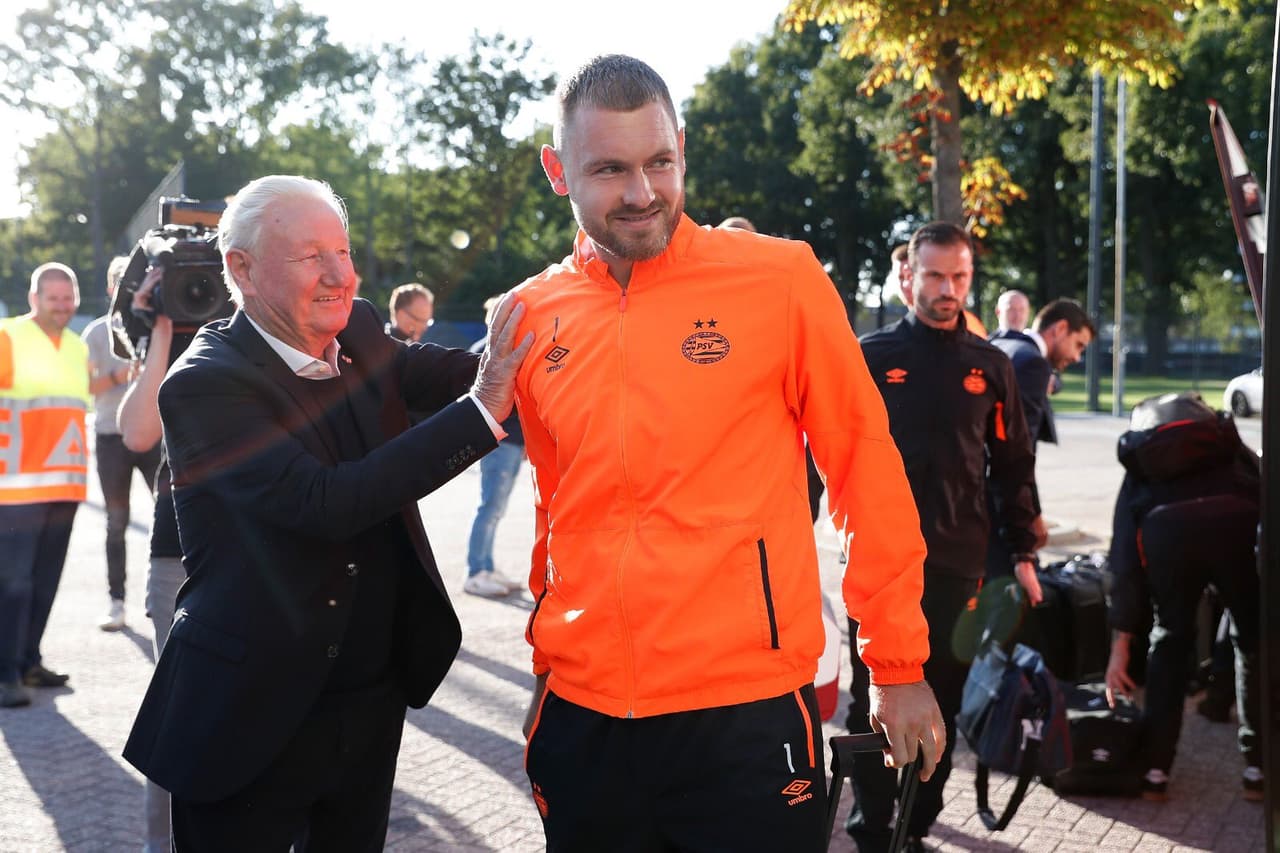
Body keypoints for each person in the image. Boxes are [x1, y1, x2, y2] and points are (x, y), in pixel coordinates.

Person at [512, 55, 943, 852]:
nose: (642, 192)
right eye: (609, 169)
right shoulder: (530, 314)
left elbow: (863, 464)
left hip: (743, 716)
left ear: (682, 148)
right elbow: (554, 496)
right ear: (557, 171)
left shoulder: (780, 280)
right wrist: (547, 656)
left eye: (660, 162)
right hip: (583, 714)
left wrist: (897, 661)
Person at [123, 174, 532, 850]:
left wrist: (552, 326)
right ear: (242, 270)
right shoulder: (203, 385)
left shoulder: (363, 326)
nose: (340, 275)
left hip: (367, 701)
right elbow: (325, 502)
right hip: (245, 714)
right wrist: (485, 409)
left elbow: (448, 371)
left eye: (342, 252)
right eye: (312, 256)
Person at [851, 221, 1040, 852]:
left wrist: (1023, 554)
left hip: (960, 564)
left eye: (960, 277)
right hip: (879, 566)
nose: (948, 289)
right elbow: (827, 458)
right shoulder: (870, 357)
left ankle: (916, 827)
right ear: (907, 276)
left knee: (946, 704)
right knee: (871, 703)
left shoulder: (992, 367)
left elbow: (1014, 469)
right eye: (935, 275)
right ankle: (872, 829)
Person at [1103, 392, 1263, 802]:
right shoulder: (1220, 438)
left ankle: (1156, 771)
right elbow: (1262, 484)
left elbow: (1124, 556)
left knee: (1171, 636)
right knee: (1253, 640)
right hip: (1236, 520)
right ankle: (1258, 767)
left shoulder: (1143, 456)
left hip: (1166, 531)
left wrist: (1120, 645)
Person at [116, 263, 193, 852]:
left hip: (271, 548)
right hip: (180, 550)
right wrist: (161, 326)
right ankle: (161, 845)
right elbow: (139, 435)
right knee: (179, 709)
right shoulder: (157, 336)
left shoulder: (276, 322)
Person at [0, 262, 91, 707]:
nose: (62, 306)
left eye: (68, 297)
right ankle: (4, 674)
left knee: (44, 582)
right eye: (53, 298)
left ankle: (29, 662)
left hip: (64, 487)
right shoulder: (8, 337)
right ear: (34, 299)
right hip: (14, 487)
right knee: (12, 583)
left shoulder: (76, 346)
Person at [80, 255, 162, 632]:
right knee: (116, 522)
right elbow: (87, 387)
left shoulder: (159, 325)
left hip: (155, 435)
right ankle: (117, 602)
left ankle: (167, 596)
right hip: (112, 437)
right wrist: (125, 372)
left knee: (169, 516)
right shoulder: (96, 333)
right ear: (113, 287)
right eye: (122, 280)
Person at [985, 298, 1095, 574]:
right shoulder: (1033, 363)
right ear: (1059, 329)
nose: (1077, 357)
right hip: (993, 507)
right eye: (1078, 345)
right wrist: (1030, 519)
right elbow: (1019, 452)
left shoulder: (1000, 344)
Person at [462, 295, 527, 598]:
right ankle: (476, 572)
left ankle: (486, 565)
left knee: (496, 508)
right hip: (498, 443)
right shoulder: (483, 352)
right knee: (489, 506)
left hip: (513, 443)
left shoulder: (509, 350)